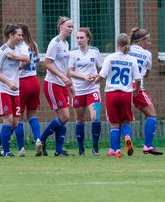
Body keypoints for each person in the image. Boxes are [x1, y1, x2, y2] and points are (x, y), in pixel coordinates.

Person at [94, 33, 141, 158]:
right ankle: (126, 136)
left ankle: (116, 150)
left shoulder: (110, 57)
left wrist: (94, 80)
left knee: (114, 123)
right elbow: (137, 79)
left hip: (112, 94)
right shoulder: (132, 60)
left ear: (117, 45)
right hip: (126, 94)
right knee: (125, 122)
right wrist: (136, 91)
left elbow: (102, 75)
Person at [0, 24, 29, 157]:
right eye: (19, 35)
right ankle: (6, 151)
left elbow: (27, 58)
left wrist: (14, 58)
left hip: (15, 91)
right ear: (11, 35)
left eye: (21, 35)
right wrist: (8, 82)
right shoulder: (2, 51)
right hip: (2, 90)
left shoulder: (18, 49)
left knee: (15, 123)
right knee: (8, 121)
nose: (21, 37)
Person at [40, 16, 75, 157]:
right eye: (69, 26)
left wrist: (70, 83)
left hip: (62, 84)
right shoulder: (54, 43)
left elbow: (65, 66)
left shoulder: (65, 44)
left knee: (62, 117)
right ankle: (41, 139)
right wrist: (61, 77)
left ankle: (58, 150)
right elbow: (47, 63)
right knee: (65, 116)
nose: (71, 29)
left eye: (72, 27)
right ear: (61, 27)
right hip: (52, 84)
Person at [68, 27, 103, 156]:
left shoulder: (95, 52)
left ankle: (95, 147)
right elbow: (69, 71)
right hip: (78, 90)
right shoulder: (73, 53)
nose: (79, 40)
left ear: (88, 38)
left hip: (93, 89)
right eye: (77, 38)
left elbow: (101, 69)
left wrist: (95, 76)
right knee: (80, 119)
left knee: (95, 117)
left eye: (82, 37)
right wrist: (83, 77)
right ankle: (81, 149)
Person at [10, 23, 42, 157]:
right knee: (32, 115)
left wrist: (14, 69)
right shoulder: (33, 44)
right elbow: (38, 60)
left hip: (22, 82)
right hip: (34, 81)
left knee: (19, 117)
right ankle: (38, 139)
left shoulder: (19, 47)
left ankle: (21, 148)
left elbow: (25, 62)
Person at [129, 27, 163, 155]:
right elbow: (146, 74)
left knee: (122, 119)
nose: (149, 43)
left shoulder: (126, 49)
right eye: (148, 41)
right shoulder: (147, 54)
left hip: (122, 88)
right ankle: (147, 146)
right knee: (152, 115)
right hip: (136, 87)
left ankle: (115, 148)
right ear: (141, 41)